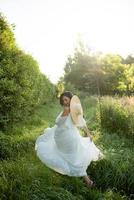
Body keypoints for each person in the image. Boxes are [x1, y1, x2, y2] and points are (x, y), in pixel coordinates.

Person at [35, 91, 104, 188]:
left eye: (66, 100)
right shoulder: (69, 109)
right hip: (62, 137)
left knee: (73, 157)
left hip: (67, 137)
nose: (64, 102)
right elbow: (77, 122)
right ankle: (86, 179)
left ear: (71, 100)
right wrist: (88, 133)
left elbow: (61, 122)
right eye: (63, 100)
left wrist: (88, 133)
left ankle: (88, 181)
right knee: (73, 157)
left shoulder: (69, 110)